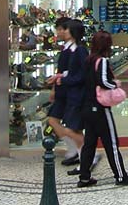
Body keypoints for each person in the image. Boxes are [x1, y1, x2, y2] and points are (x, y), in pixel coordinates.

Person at [77, 30, 128, 188]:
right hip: (101, 108)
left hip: (87, 106)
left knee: (89, 144)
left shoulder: (88, 60)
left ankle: (84, 177)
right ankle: (121, 176)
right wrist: (115, 85)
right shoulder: (102, 61)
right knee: (111, 144)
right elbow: (103, 81)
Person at [47, 19, 100, 176]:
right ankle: (83, 157)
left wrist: (62, 79)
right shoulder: (70, 49)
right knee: (70, 128)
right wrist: (59, 78)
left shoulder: (79, 50)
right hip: (71, 94)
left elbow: (81, 75)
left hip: (77, 95)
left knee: (72, 129)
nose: (62, 32)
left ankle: (87, 157)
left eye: (66, 29)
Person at [46, 17, 78, 166]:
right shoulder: (67, 48)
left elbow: (71, 72)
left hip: (67, 91)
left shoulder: (74, 50)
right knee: (57, 120)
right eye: (58, 29)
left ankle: (77, 149)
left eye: (61, 29)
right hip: (62, 90)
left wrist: (58, 81)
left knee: (55, 120)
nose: (59, 32)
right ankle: (75, 149)